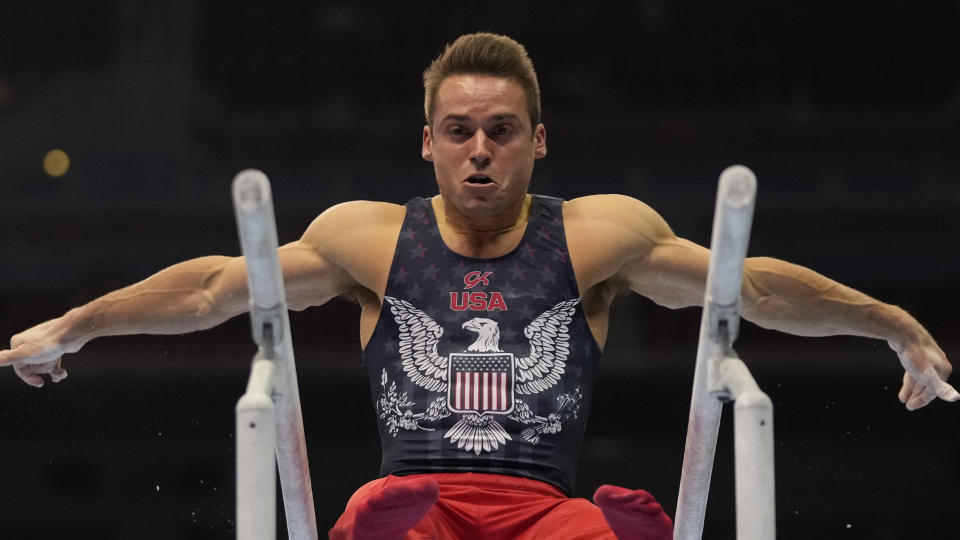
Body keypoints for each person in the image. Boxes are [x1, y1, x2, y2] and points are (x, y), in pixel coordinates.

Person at [2, 32, 956, 539]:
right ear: (427, 142)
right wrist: (75, 327)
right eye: (459, 130)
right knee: (385, 520)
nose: (480, 150)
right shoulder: (368, 239)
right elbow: (213, 288)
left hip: (545, 510)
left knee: (586, 532)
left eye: (502, 129)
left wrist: (890, 323)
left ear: (540, 141)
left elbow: (744, 290)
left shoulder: (598, 235)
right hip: (417, 505)